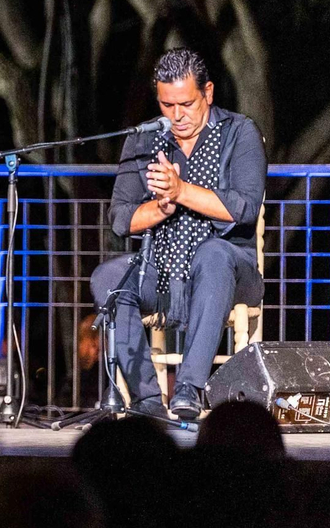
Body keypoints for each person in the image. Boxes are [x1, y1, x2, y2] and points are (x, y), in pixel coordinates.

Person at [89, 48, 265, 420]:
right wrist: (160, 208)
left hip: (229, 270)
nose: (177, 116)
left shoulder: (240, 132)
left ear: (209, 93)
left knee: (213, 255)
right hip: (162, 269)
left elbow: (245, 207)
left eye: (186, 104)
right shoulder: (144, 140)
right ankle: (147, 401)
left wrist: (180, 190)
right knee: (108, 278)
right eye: (167, 105)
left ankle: (188, 388)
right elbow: (120, 219)